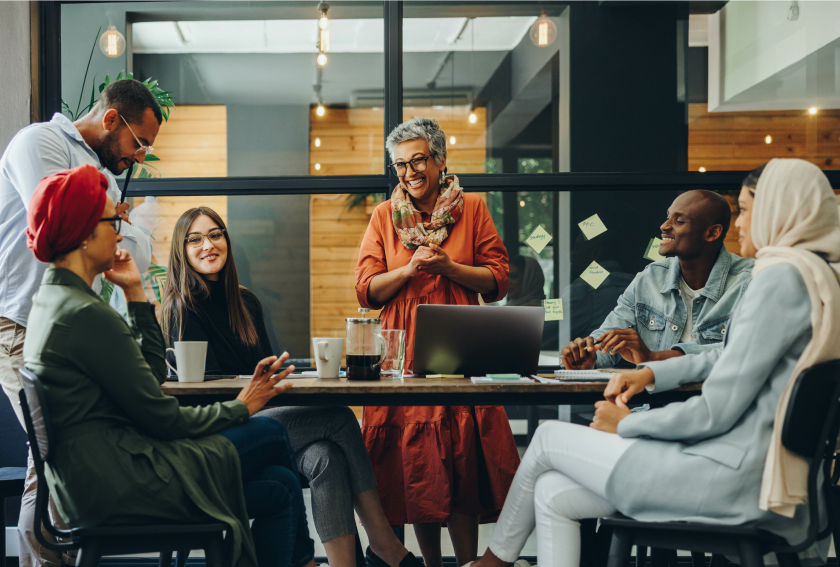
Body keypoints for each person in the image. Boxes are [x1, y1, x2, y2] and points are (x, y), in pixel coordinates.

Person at [469, 159, 840, 567]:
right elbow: (726, 357)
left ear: (780, 210)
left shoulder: (776, 280)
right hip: (755, 470)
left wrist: (625, 424)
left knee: (546, 439)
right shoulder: (819, 278)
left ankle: (491, 564)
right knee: (552, 493)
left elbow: (716, 410)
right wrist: (649, 371)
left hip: (731, 475)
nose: (742, 225)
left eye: (749, 210)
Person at [23, 164, 316, 567]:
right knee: (268, 428)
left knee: (281, 486)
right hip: (123, 482)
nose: (121, 230)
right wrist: (241, 407)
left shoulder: (53, 303)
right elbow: (162, 418)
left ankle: (303, 562)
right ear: (85, 234)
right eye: (114, 220)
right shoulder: (84, 316)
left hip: (92, 482)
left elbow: (152, 374)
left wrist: (135, 292)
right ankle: (305, 562)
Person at [160, 207, 421, 567]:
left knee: (325, 458)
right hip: (222, 431)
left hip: (263, 421)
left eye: (216, 234)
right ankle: (384, 543)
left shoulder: (245, 301)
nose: (208, 245)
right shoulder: (182, 306)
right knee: (340, 419)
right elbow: (208, 394)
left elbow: (267, 376)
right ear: (182, 251)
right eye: (195, 239)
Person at [0, 79, 157, 567]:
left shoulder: (103, 176)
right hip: (21, 322)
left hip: (67, 327)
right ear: (112, 120)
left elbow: (137, 253)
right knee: (54, 452)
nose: (140, 158)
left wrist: (114, 222)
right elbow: (56, 224)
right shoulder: (40, 143)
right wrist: (111, 218)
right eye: (139, 143)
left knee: (59, 455)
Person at [355, 117, 519, 567]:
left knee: (460, 458)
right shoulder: (384, 216)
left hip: (460, 341)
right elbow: (366, 289)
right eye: (400, 165)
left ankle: (466, 563)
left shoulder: (474, 208)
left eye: (418, 161)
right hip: (401, 349)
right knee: (414, 466)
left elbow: (498, 280)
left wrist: (448, 268)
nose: (409, 173)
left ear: (440, 160)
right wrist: (408, 271)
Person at [561, 189, 753, 370]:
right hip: (651, 404)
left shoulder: (749, 282)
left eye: (679, 221)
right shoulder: (650, 278)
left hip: (713, 404)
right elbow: (609, 336)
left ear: (712, 233)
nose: (664, 226)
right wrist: (588, 355)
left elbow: (742, 352)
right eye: (668, 216)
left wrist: (653, 358)